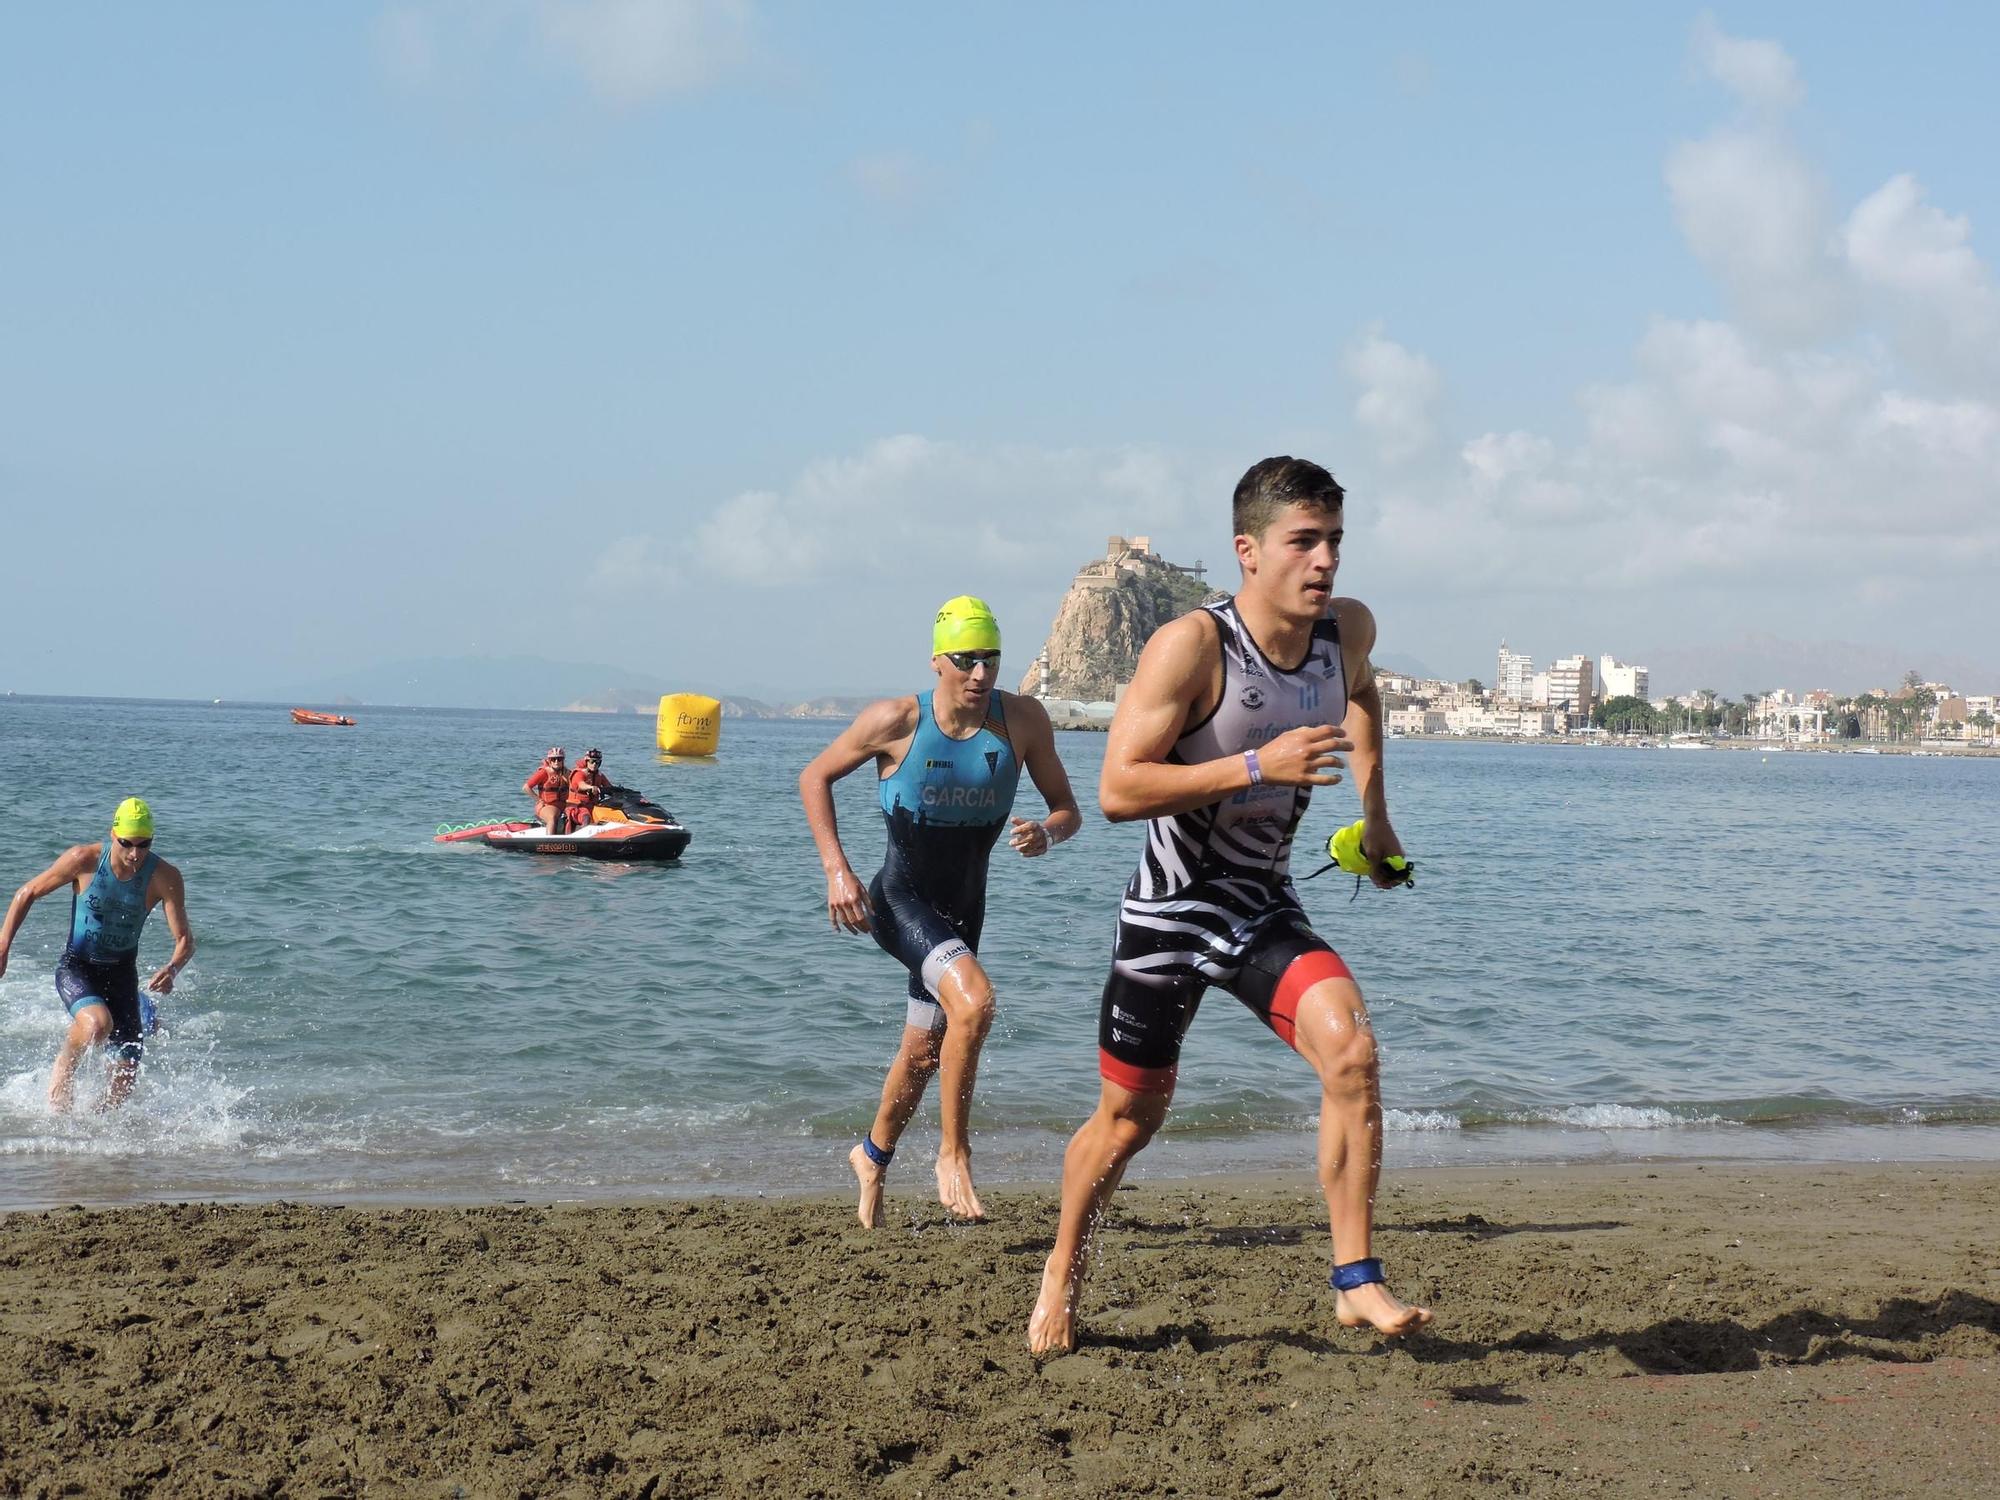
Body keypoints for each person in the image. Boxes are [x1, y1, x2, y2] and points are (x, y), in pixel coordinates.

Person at [1027, 456, 1431, 1354]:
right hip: (1169, 912)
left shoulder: (1345, 633)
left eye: (1334, 541)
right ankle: (1062, 1268)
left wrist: (1375, 813)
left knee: (1353, 1054)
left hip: (1259, 901)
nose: (1323, 561)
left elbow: (1362, 699)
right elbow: (1119, 788)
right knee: (1129, 1121)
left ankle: (1354, 1279)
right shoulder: (1193, 646)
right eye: (1303, 542)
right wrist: (1260, 764)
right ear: (1250, 552)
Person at [800, 596, 1080, 1227]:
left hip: (964, 910)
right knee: (974, 1003)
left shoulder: (1024, 722)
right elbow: (814, 777)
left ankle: (871, 1156)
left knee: (926, 1052)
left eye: (990, 659)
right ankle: (953, 1153)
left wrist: (1048, 832)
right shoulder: (897, 720)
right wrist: (837, 871)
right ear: (937, 662)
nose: (980, 674)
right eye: (966, 660)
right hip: (897, 903)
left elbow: (1068, 807)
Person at [0, 797, 195, 1112]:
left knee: (126, 1075)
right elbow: (28, 892)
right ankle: (65, 1063)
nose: (135, 853)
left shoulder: (165, 876)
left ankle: (94, 1142)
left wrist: (173, 968)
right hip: (78, 967)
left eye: (144, 844)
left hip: (121, 974)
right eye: (127, 843)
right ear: (112, 833)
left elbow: (185, 939)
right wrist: (3, 944)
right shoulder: (84, 860)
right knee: (96, 1026)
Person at [523, 748, 568, 832]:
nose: (556, 762)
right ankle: (549, 841)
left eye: (559, 759)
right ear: (549, 760)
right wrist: (538, 799)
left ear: (563, 760)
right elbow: (526, 787)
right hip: (547, 805)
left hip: (564, 805)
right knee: (552, 817)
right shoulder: (544, 772)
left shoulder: (567, 773)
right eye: (553, 759)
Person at [565, 748, 610, 831]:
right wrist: (591, 787)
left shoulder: (599, 775)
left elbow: (609, 787)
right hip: (577, 807)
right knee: (586, 817)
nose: (594, 764)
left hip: (593, 806)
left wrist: (621, 791)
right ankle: (583, 838)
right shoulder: (579, 773)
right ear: (587, 762)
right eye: (592, 761)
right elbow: (581, 785)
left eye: (597, 762)